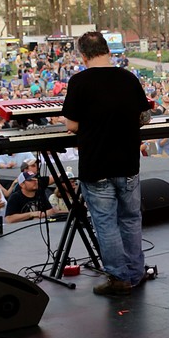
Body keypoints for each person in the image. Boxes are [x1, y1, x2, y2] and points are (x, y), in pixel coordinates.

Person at [62, 31, 152, 297]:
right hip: (128, 163)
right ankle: (135, 272)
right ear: (108, 51)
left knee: (106, 223)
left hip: (97, 165)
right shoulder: (128, 78)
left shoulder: (79, 82)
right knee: (131, 219)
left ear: (83, 56)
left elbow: (72, 125)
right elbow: (144, 116)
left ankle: (119, 278)